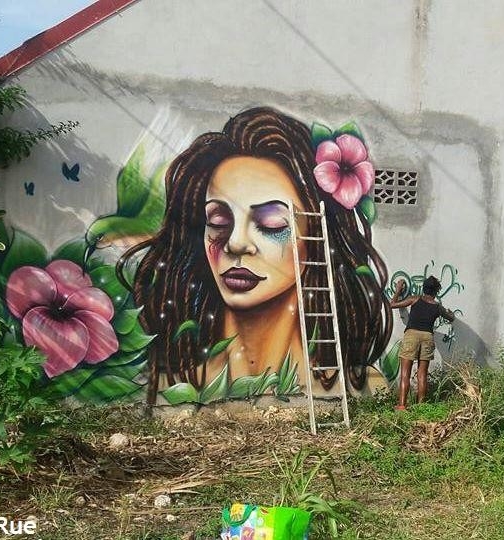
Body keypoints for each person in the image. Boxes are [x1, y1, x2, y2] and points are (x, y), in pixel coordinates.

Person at [119, 107, 392, 405]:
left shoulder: (363, 386)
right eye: (218, 221)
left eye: (271, 225)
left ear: (316, 238)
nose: (236, 243)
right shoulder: (168, 386)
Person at [389, 276, 456, 410]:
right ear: (436, 291)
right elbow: (450, 318)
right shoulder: (438, 307)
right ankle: (421, 407)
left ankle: (402, 405)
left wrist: (398, 290)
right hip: (427, 337)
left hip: (412, 335)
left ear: (423, 288)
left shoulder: (415, 299)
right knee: (422, 375)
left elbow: (392, 304)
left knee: (405, 374)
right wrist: (451, 314)